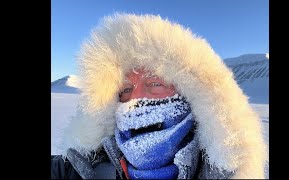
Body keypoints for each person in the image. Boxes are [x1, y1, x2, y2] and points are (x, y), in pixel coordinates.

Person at [51, 13, 267, 179]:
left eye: (155, 83)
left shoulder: (223, 172)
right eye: (125, 90)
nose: (134, 100)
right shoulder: (80, 168)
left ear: (190, 94)